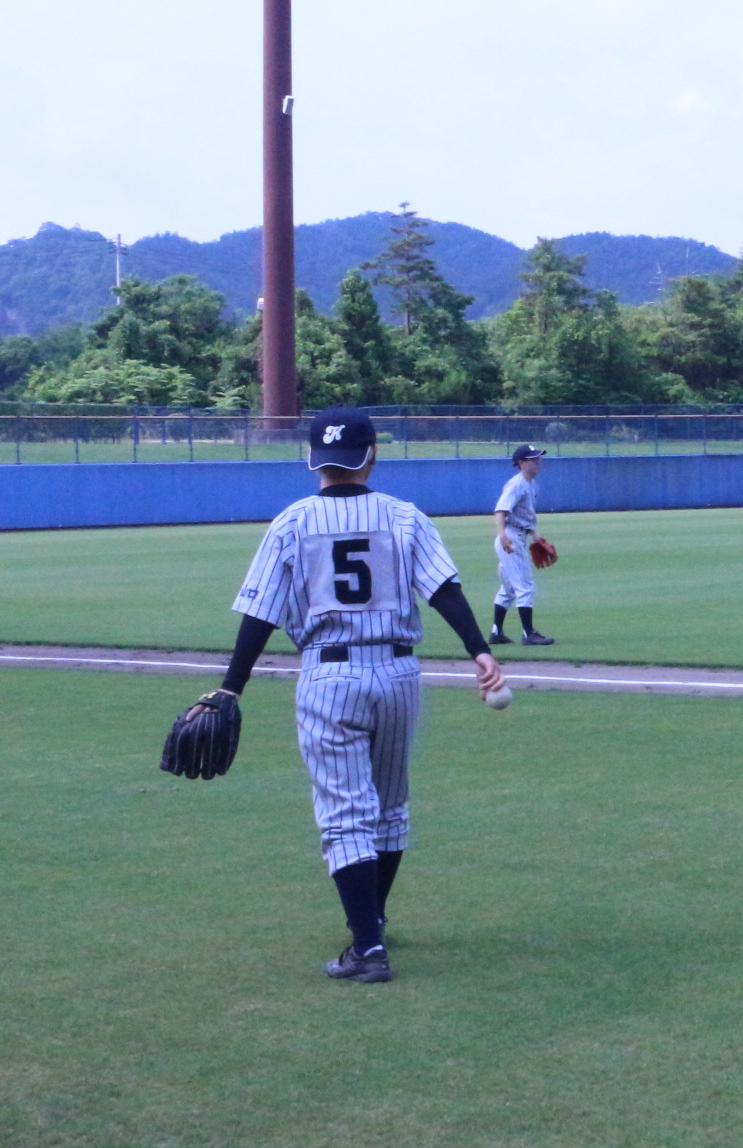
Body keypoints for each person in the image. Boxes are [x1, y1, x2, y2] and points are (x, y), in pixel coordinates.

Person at [208, 410, 507, 982]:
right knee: (389, 808)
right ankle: (373, 915)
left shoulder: (293, 521)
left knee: (346, 815)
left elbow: (260, 613)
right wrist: (480, 651)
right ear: (372, 454)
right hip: (398, 676)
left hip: (329, 679)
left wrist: (231, 686)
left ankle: (367, 947)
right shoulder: (403, 516)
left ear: (310, 458)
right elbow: (443, 588)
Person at [491, 443, 554, 646]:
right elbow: (501, 511)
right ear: (521, 463)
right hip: (510, 538)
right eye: (533, 458)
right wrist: (503, 536)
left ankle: (496, 633)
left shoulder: (532, 484)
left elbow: (525, 516)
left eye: (538, 457)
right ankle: (529, 634)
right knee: (525, 586)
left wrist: (535, 536)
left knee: (508, 589)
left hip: (519, 535)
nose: (538, 461)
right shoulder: (516, 484)